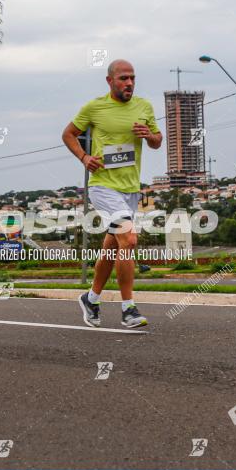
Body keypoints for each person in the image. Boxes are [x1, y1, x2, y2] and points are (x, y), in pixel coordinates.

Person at [62, 59, 162, 328]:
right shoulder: (95, 107)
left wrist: (149, 135)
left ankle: (91, 298)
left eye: (132, 78)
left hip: (130, 189)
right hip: (103, 187)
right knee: (128, 238)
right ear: (110, 81)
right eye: (123, 78)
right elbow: (69, 134)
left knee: (112, 247)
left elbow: (157, 141)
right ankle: (128, 308)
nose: (129, 83)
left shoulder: (144, 107)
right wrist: (84, 157)